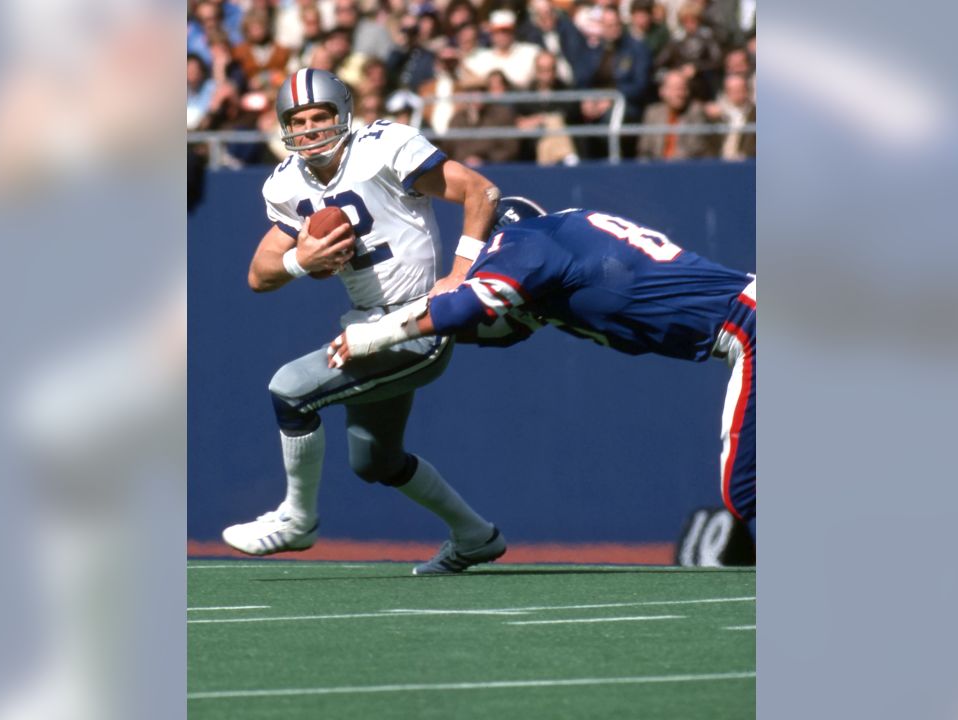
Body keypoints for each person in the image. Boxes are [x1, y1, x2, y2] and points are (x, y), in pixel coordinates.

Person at [222, 68, 510, 575]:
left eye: (319, 117)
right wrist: (298, 262)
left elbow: (480, 192)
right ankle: (475, 536)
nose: (309, 129)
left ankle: (298, 518)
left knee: (289, 388)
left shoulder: (384, 146)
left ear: (343, 115)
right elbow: (259, 274)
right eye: (298, 120)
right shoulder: (287, 182)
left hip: (419, 320)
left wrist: (460, 276)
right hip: (364, 326)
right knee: (375, 460)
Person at [328, 197, 757, 535]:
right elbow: (503, 326)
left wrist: (374, 334)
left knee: (746, 490)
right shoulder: (569, 233)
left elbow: (466, 308)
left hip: (752, 330)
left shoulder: (526, 242)